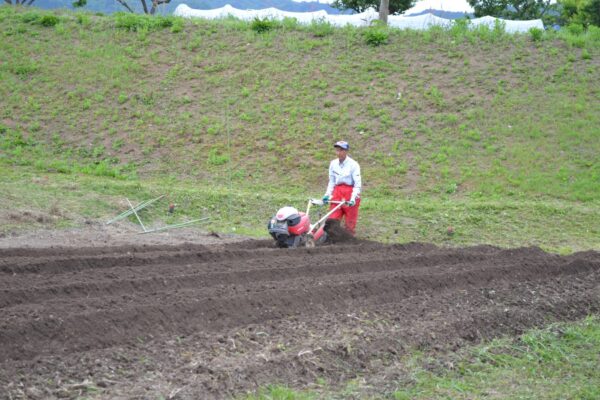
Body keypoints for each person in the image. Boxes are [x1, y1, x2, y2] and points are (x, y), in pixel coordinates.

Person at [322, 140, 361, 235]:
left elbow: (357, 184)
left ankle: (349, 239)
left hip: (350, 192)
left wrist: (353, 198)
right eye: (337, 150)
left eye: (341, 150)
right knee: (332, 219)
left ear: (346, 151)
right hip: (337, 192)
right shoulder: (333, 164)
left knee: (350, 222)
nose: (338, 153)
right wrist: (327, 194)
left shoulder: (353, 165)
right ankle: (331, 238)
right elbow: (332, 181)